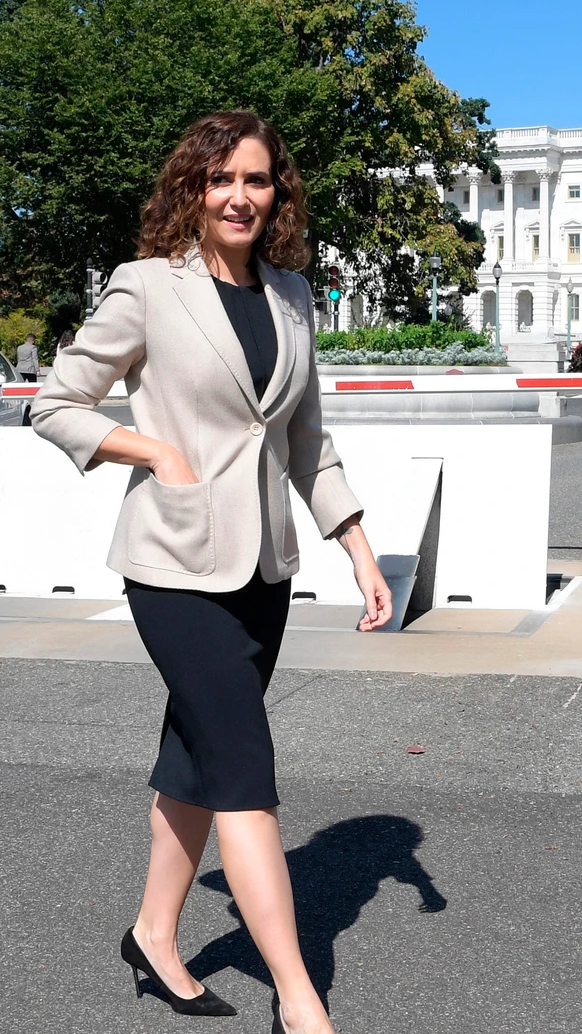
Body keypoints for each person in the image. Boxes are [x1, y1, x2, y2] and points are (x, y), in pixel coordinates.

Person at [31, 111, 392, 1034]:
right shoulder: (148, 288)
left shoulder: (293, 295)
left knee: (195, 757)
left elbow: (308, 442)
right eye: (222, 178)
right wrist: (150, 449)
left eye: (258, 179)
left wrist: (358, 548)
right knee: (243, 764)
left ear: (278, 194)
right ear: (192, 190)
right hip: (174, 562)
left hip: (265, 568)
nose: (241, 195)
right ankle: (301, 998)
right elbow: (56, 401)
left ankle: (154, 933)